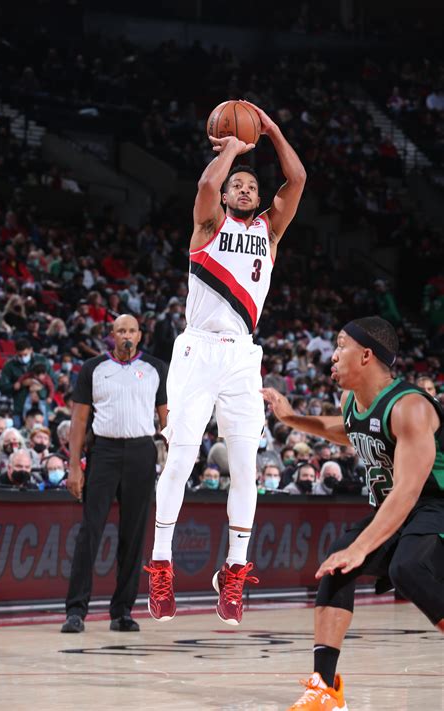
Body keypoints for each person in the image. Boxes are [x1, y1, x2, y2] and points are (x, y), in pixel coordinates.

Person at [146, 100, 306, 626]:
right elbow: (205, 189)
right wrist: (233, 150)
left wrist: (272, 131)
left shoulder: (269, 232)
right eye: (238, 183)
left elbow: (297, 177)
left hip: (242, 356)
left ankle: (233, 575)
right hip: (196, 350)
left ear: (259, 198)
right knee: (181, 458)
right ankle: (162, 564)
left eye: (251, 186)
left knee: (246, 469)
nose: (244, 188)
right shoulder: (208, 224)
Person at [262, 315, 444, 710]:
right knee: (336, 566)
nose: (332, 355)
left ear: (366, 355)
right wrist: (292, 418)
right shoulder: (352, 402)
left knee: (407, 568)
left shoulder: (410, 407)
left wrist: (362, 548)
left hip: (433, 504)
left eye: (340, 345)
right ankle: (324, 689)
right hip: (396, 508)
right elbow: (346, 429)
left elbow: (409, 491)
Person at [61, 314, 167, 634]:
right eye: (120, 330)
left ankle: (122, 611)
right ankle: (76, 611)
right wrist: (73, 466)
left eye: (131, 330)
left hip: (141, 452)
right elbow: (79, 421)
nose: (126, 335)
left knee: (133, 536)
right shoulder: (94, 368)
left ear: (139, 335)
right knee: (89, 531)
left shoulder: (156, 369)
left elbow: (167, 420)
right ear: (112, 335)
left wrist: (174, 462)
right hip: (103, 452)